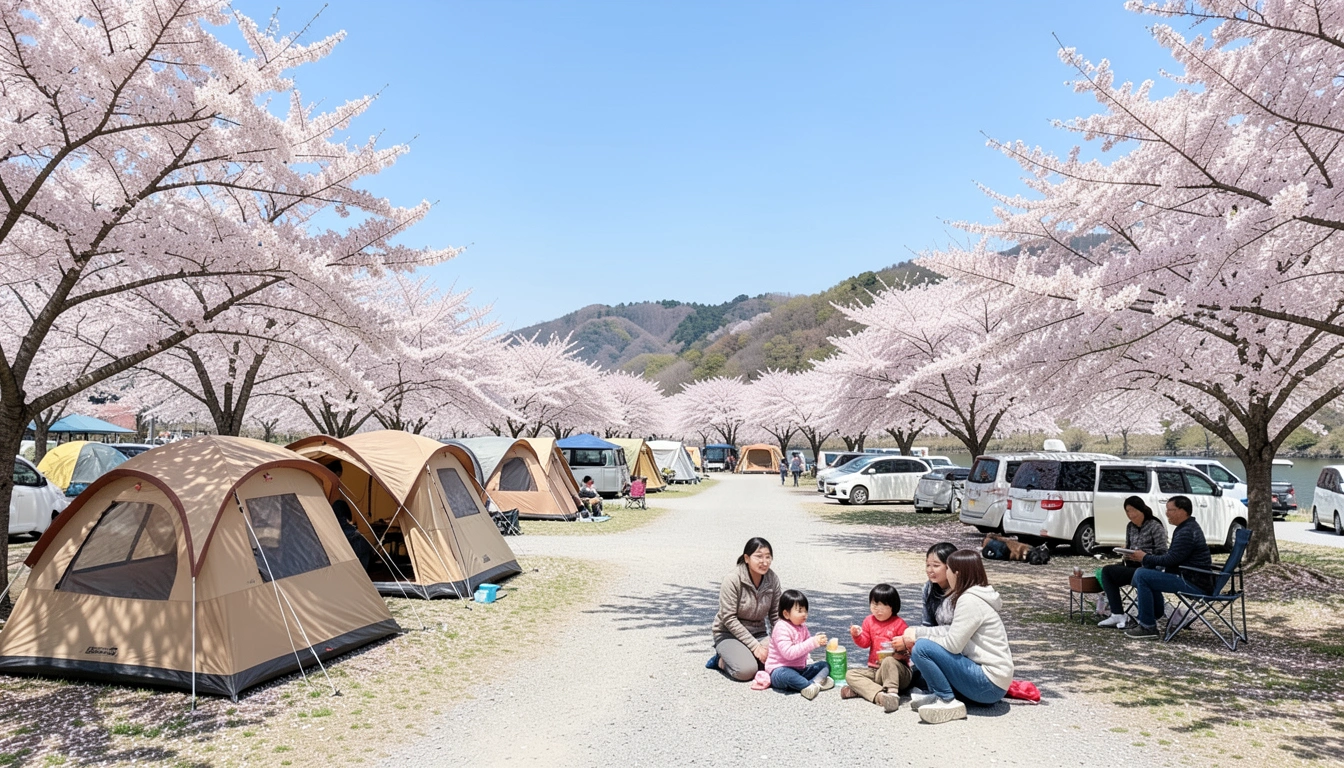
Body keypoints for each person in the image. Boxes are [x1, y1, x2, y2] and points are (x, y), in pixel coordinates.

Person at [903, 550, 1013, 724]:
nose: (946, 574)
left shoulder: (969, 600)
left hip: (989, 684)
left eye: (948, 570)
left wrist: (920, 639)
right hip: (992, 683)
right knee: (926, 648)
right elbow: (951, 633)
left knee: (922, 648)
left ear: (957, 573)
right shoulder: (975, 596)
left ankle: (946, 700)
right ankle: (937, 695)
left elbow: (953, 645)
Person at [1122, 495, 1214, 640]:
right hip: (1188, 576)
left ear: (1182, 511)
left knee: (1142, 574)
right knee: (1146, 573)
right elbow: (1172, 558)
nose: (1167, 513)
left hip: (1192, 581)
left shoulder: (1186, 532)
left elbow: (1171, 559)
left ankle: (1148, 626)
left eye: (1170, 510)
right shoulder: (1186, 528)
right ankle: (1154, 614)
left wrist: (1145, 557)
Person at [709, 538, 782, 681]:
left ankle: (746, 656)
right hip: (728, 635)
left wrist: (786, 638)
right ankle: (720, 660)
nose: (764, 561)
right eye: (759, 556)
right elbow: (728, 618)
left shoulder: (772, 579)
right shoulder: (732, 580)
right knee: (746, 671)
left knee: (782, 663)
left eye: (768, 557)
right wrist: (755, 647)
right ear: (747, 558)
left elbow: (775, 615)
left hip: (759, 633)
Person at [1097, 496, 1170, 629]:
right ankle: (1117, 613)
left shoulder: (1154, 525)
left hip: (1148, 567)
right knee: (1106, 572)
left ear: (1141, 509)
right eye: (1127, 511)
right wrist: (1126, 553)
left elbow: (1162, 552)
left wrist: (1144, 556)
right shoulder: (1130, 526)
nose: (1131, 515)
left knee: (1112, 572)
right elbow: (1129, 547)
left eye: (1133, 510)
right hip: (1132, 565)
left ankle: (1147, 615)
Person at [842, 583, 911, 712]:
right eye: (874, 604)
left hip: (898, 673)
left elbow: (910, 650)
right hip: (876, 670)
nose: (878, 609)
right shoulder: (869, 621)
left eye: (883, 605)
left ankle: (891, 693)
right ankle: (879, 696)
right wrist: (857, 635)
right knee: (851, 674)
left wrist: (898, 652)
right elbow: (865, 643)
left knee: (889, 661)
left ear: (893, 607)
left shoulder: (899, 624)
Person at [766, 589, 833, 699]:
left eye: (806, 611)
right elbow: (789, 653)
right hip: (780, 669)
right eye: (800, 611)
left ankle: (810, 685)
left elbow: (806, 647)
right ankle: (811, 685)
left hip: (800, 669)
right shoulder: (781, 627)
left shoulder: (803, 627)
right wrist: (812, 642)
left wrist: (819, 642)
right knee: (787, 676)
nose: (804, 614)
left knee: (824, 665)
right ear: (786, 614)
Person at [324, 460, 375, 572]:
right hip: (342, 535)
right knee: (362, 546)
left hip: (338, 532)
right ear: (337, 473)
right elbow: (343, 520)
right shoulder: (335, 489)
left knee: (362, 544)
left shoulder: (324, 484)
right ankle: (360, 575)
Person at [921, 542, 957, 627]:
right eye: (928, 565)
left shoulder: (962, 592)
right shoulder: (928, 588)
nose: (930, 570)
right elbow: (927, 623)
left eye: (936, 565)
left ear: (951, 566)